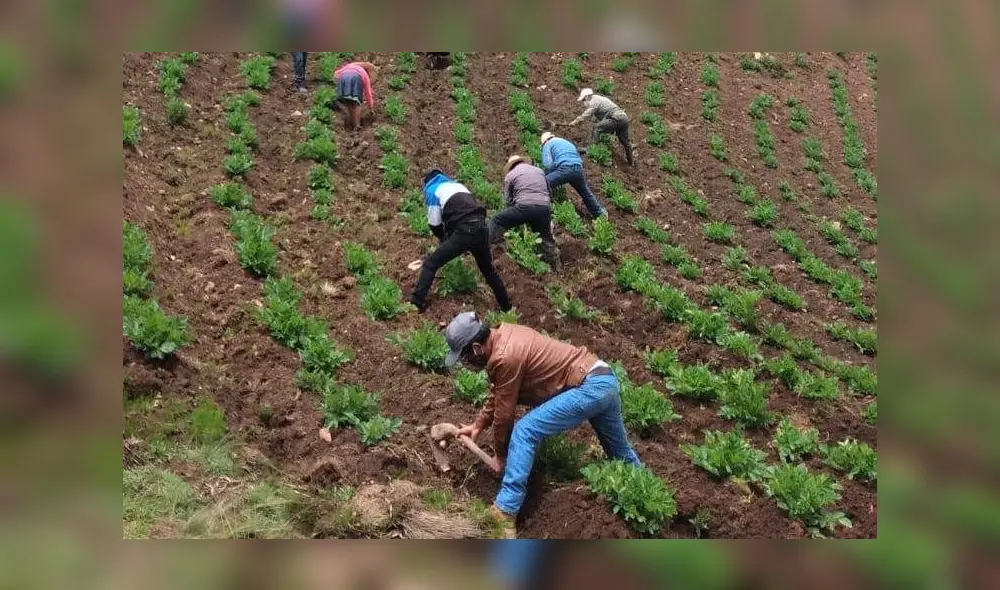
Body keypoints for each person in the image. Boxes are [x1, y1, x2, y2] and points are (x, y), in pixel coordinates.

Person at [442, 312, 642, 538]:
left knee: (525, 431)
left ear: (477, 348)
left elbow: (504, 416)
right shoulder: (504, 333)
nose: (466, 362)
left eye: (465, 356)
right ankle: (644, 491)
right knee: (621, 453)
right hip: (604, 378)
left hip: (589, 386)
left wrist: (500, 456)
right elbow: (500, 393)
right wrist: (478, 425)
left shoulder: (505, 356)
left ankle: (505, 510)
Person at [410, 169, 513, 313]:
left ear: (426, 183)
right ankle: (507, 308)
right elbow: (464, 212)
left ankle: (416, 303)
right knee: (488, 271)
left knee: (431, 264)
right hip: (482, 229)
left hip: (465, 231)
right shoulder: (458, 186)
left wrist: (443, 239)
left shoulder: (433, 190)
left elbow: (434, 224)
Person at [489, 155, 561, 271]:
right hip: (543, 207)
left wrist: (515, 219)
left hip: (524, 206)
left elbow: (508, 201)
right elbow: (549, 191)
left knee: (497, 221)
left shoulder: (510, 175)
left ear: (511, 166)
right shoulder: (539, 171)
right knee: (545, 237)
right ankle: (557, 267)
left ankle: (491, 247)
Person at [540, 132, 607, 219]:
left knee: (543, 184)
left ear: (544, 141)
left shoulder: (548, 144)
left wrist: (548, 175)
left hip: (565, 168)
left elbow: (548, 164)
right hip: (578, 169)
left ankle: (541, 206)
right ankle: (600, 214)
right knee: (585, 193)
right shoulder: (564, 142)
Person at [567, 88, 635, 166]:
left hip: (616, 118)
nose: (583, 103)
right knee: (626, 142)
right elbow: (603, 117)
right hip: (624, 119)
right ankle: (631, 163)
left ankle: (590, 149)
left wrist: (575, 122)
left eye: (583, 100)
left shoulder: (594, 101)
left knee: (597, 128)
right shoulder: (599, 99)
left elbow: (587, 114)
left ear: (587, 97)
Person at [333, 61, 377, 131]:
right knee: (356, 103)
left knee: (349, 101)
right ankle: (357, 125)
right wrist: (371, 108)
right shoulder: (364, 74)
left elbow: (336, 74)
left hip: (342, 78)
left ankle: (351, 121)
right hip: (355, 78)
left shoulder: (348, 66)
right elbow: (368, 93)